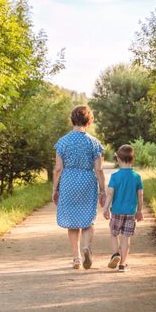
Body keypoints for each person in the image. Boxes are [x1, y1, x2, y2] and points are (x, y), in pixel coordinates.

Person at [52, 105, 106, 270]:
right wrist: (103, 189)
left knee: (72, 222)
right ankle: (86, 248)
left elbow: (58, 168)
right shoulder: (94, 143)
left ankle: (76, 258)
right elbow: (99, 169)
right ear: (89, 122)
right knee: (88, 220)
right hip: (87, 182)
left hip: (68, 182)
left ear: (72, 121)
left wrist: (55, 188)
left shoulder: (63, 142)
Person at [103, 144, 143, 272]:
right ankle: (122, 264)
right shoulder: (137, 177)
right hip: (130, 213)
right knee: (126, 238)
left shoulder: (115, 177)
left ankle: (115, 254)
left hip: (117, 212)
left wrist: (105, 208)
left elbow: (110, 193)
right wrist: (139, 211)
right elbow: (140, 195)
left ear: (118, 160)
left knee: (114, 234)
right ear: (132, 160)